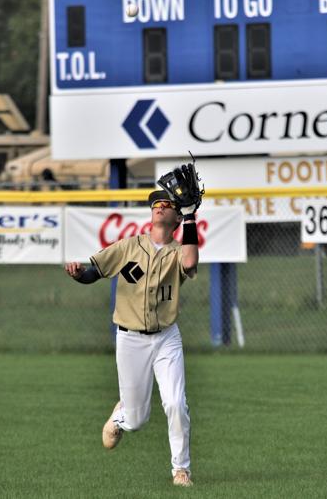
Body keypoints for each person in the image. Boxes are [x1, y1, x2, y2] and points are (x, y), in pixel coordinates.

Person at [64, 189, 200, 487]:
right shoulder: (128, 247)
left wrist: (191, 217)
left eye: (167, 203)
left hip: (167, 338)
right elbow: (93, 272)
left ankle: (181, 470)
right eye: (156, 203)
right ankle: (120, 415)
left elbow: (190, 265)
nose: (160, 206)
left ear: (176, 217)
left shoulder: (179, 250)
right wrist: (78, 274)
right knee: (137, 421)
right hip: (130, 339)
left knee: (176, 403)